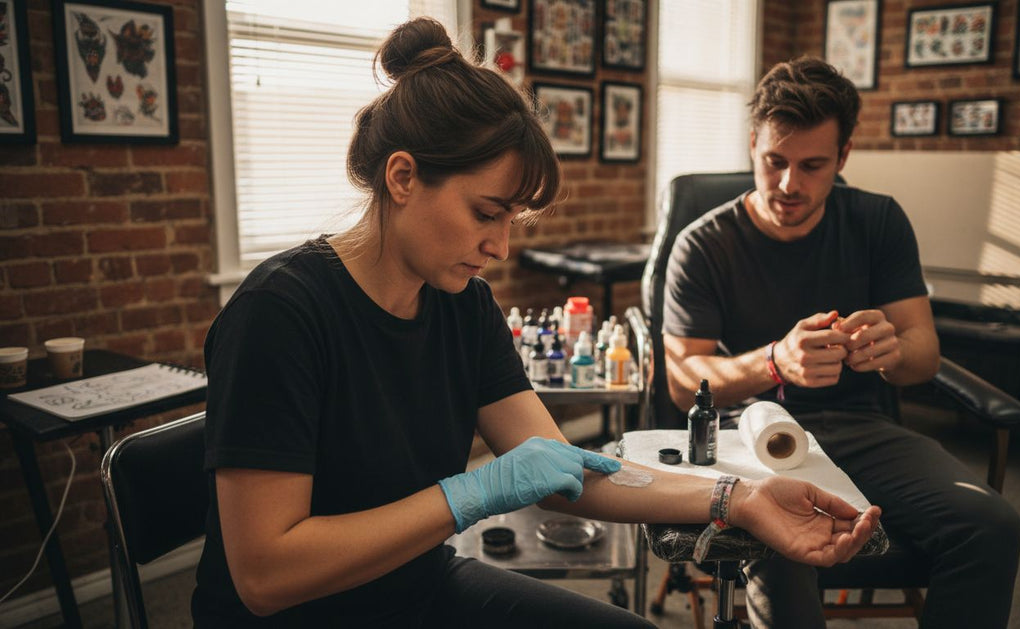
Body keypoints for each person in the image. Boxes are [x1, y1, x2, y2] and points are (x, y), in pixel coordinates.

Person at [191, 20, 881, 628]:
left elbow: (566, 471)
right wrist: (469, 494)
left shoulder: (462, 304)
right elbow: (265, 576)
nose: (500, 246)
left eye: (511, 220)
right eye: (486, 213)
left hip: (413, 589)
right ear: (402, 177)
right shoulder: (280, 314)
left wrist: (739, 498)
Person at [661, 56, 1020, 629]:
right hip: (752, 438)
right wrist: (775, 361)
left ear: (844, 155)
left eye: (812, 166)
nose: (789, 184)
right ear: (753, 144)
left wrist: (892, 351)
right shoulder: (703, 244)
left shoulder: (878, 222)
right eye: (774, 161)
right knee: (779, 543)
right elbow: (684, 382)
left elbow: (924, 355)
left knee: (992, 526)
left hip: (862, 429)